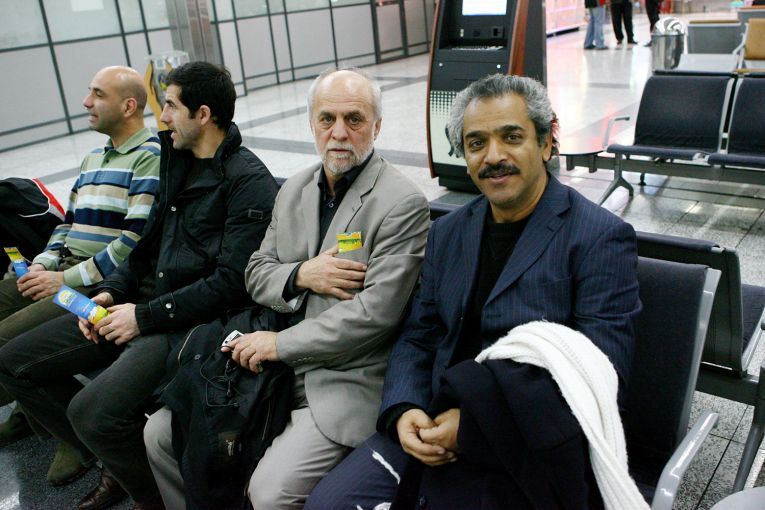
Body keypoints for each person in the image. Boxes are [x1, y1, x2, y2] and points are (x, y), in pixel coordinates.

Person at [307, 73, 641, 509]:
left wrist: (472, 428)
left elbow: (600, 374)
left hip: (526, 444)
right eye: (476, 143)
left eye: (512, 137)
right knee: (327, 504)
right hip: (431, 422)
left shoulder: (598, 238)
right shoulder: (448, 233)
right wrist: (404, 408)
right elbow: (419, 334)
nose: (493, 156)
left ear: (546, 142)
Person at [143, 67, 431, 510]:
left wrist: (279, 344)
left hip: (341, 376)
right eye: (326, 119)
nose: (339, 133)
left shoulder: (401, 203)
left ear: (376, 126)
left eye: (354, 119)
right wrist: (300, 275)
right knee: (159, 436)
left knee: (270, 492)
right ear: (312, 124)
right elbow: (255, 273)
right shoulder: (294, 189)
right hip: (265, 368)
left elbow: (375, 314)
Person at [0, 61, 278, 510]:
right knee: (12, 361)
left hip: (183, 322)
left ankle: (153, 496)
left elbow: (231, 284)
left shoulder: (247, 182)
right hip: (136, 304)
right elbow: (143, 245)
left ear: (202, 114)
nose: (162, 117)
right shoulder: (177, 159)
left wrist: (142, 317)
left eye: (170, 106)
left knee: (92, 413)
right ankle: (117, 461)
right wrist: (110, 291)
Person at [0, 65, 160, 485]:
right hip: (64, 269)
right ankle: (32, 411)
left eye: (97, 94)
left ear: (128, 105)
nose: (86, 102)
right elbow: (67, 224)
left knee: (5, 345)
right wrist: (44, 262)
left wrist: (64, 281)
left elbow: (132, 242)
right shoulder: (94, 158)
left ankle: (74, 438)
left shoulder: (149, 157)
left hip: (94, 283)